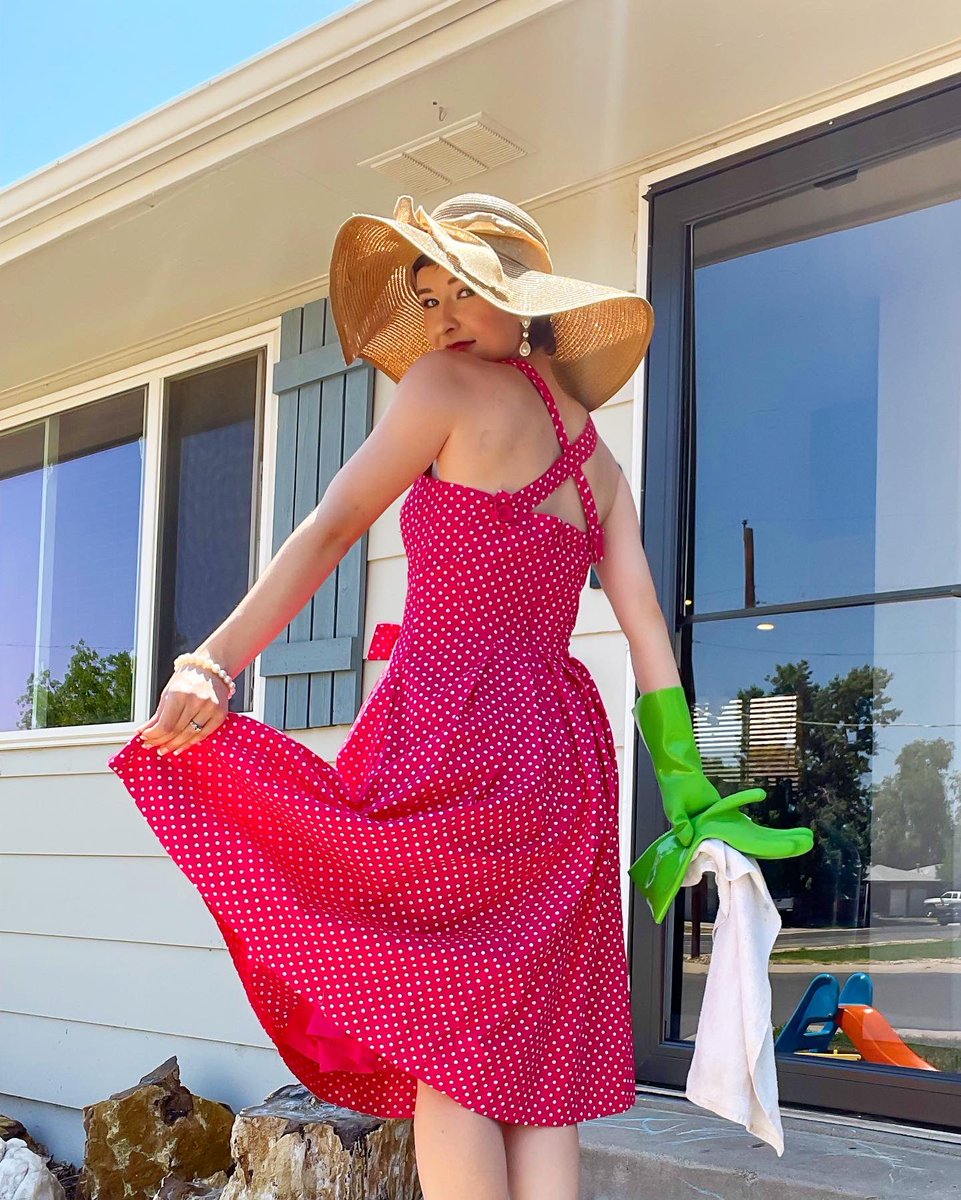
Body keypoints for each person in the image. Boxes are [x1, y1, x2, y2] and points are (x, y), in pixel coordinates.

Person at [108, 192, 811, 1199]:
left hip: (452, 730)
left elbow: (332, 526)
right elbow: (649, 633)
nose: (440, 320)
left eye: (461, 293)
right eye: (428, 298)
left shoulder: (442, 387)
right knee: (531, 1071)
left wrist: (214, 659)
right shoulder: (596, 457)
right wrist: (687, 787)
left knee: (453, 1049)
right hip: (562, 759)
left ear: (522, 300)